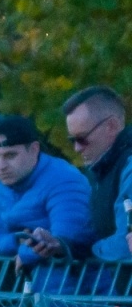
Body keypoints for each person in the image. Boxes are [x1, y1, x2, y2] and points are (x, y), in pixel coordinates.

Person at [0, 115, 93, 272]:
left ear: (34, 149)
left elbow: (67, 240)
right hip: (40, 285)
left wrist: (25, 252)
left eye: (10, 155)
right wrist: (18, 240)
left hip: (76, 287)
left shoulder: (63, 179)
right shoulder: (4, 185)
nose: (1, 166)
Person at [60, 87, 132, 263]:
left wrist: (92, 250)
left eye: (82, 138)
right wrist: (62, 244)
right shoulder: (99, 170)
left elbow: (125, 245)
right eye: (72, 140)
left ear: (112, 126)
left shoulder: (126, 166)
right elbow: (99, 230)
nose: (77, 148)